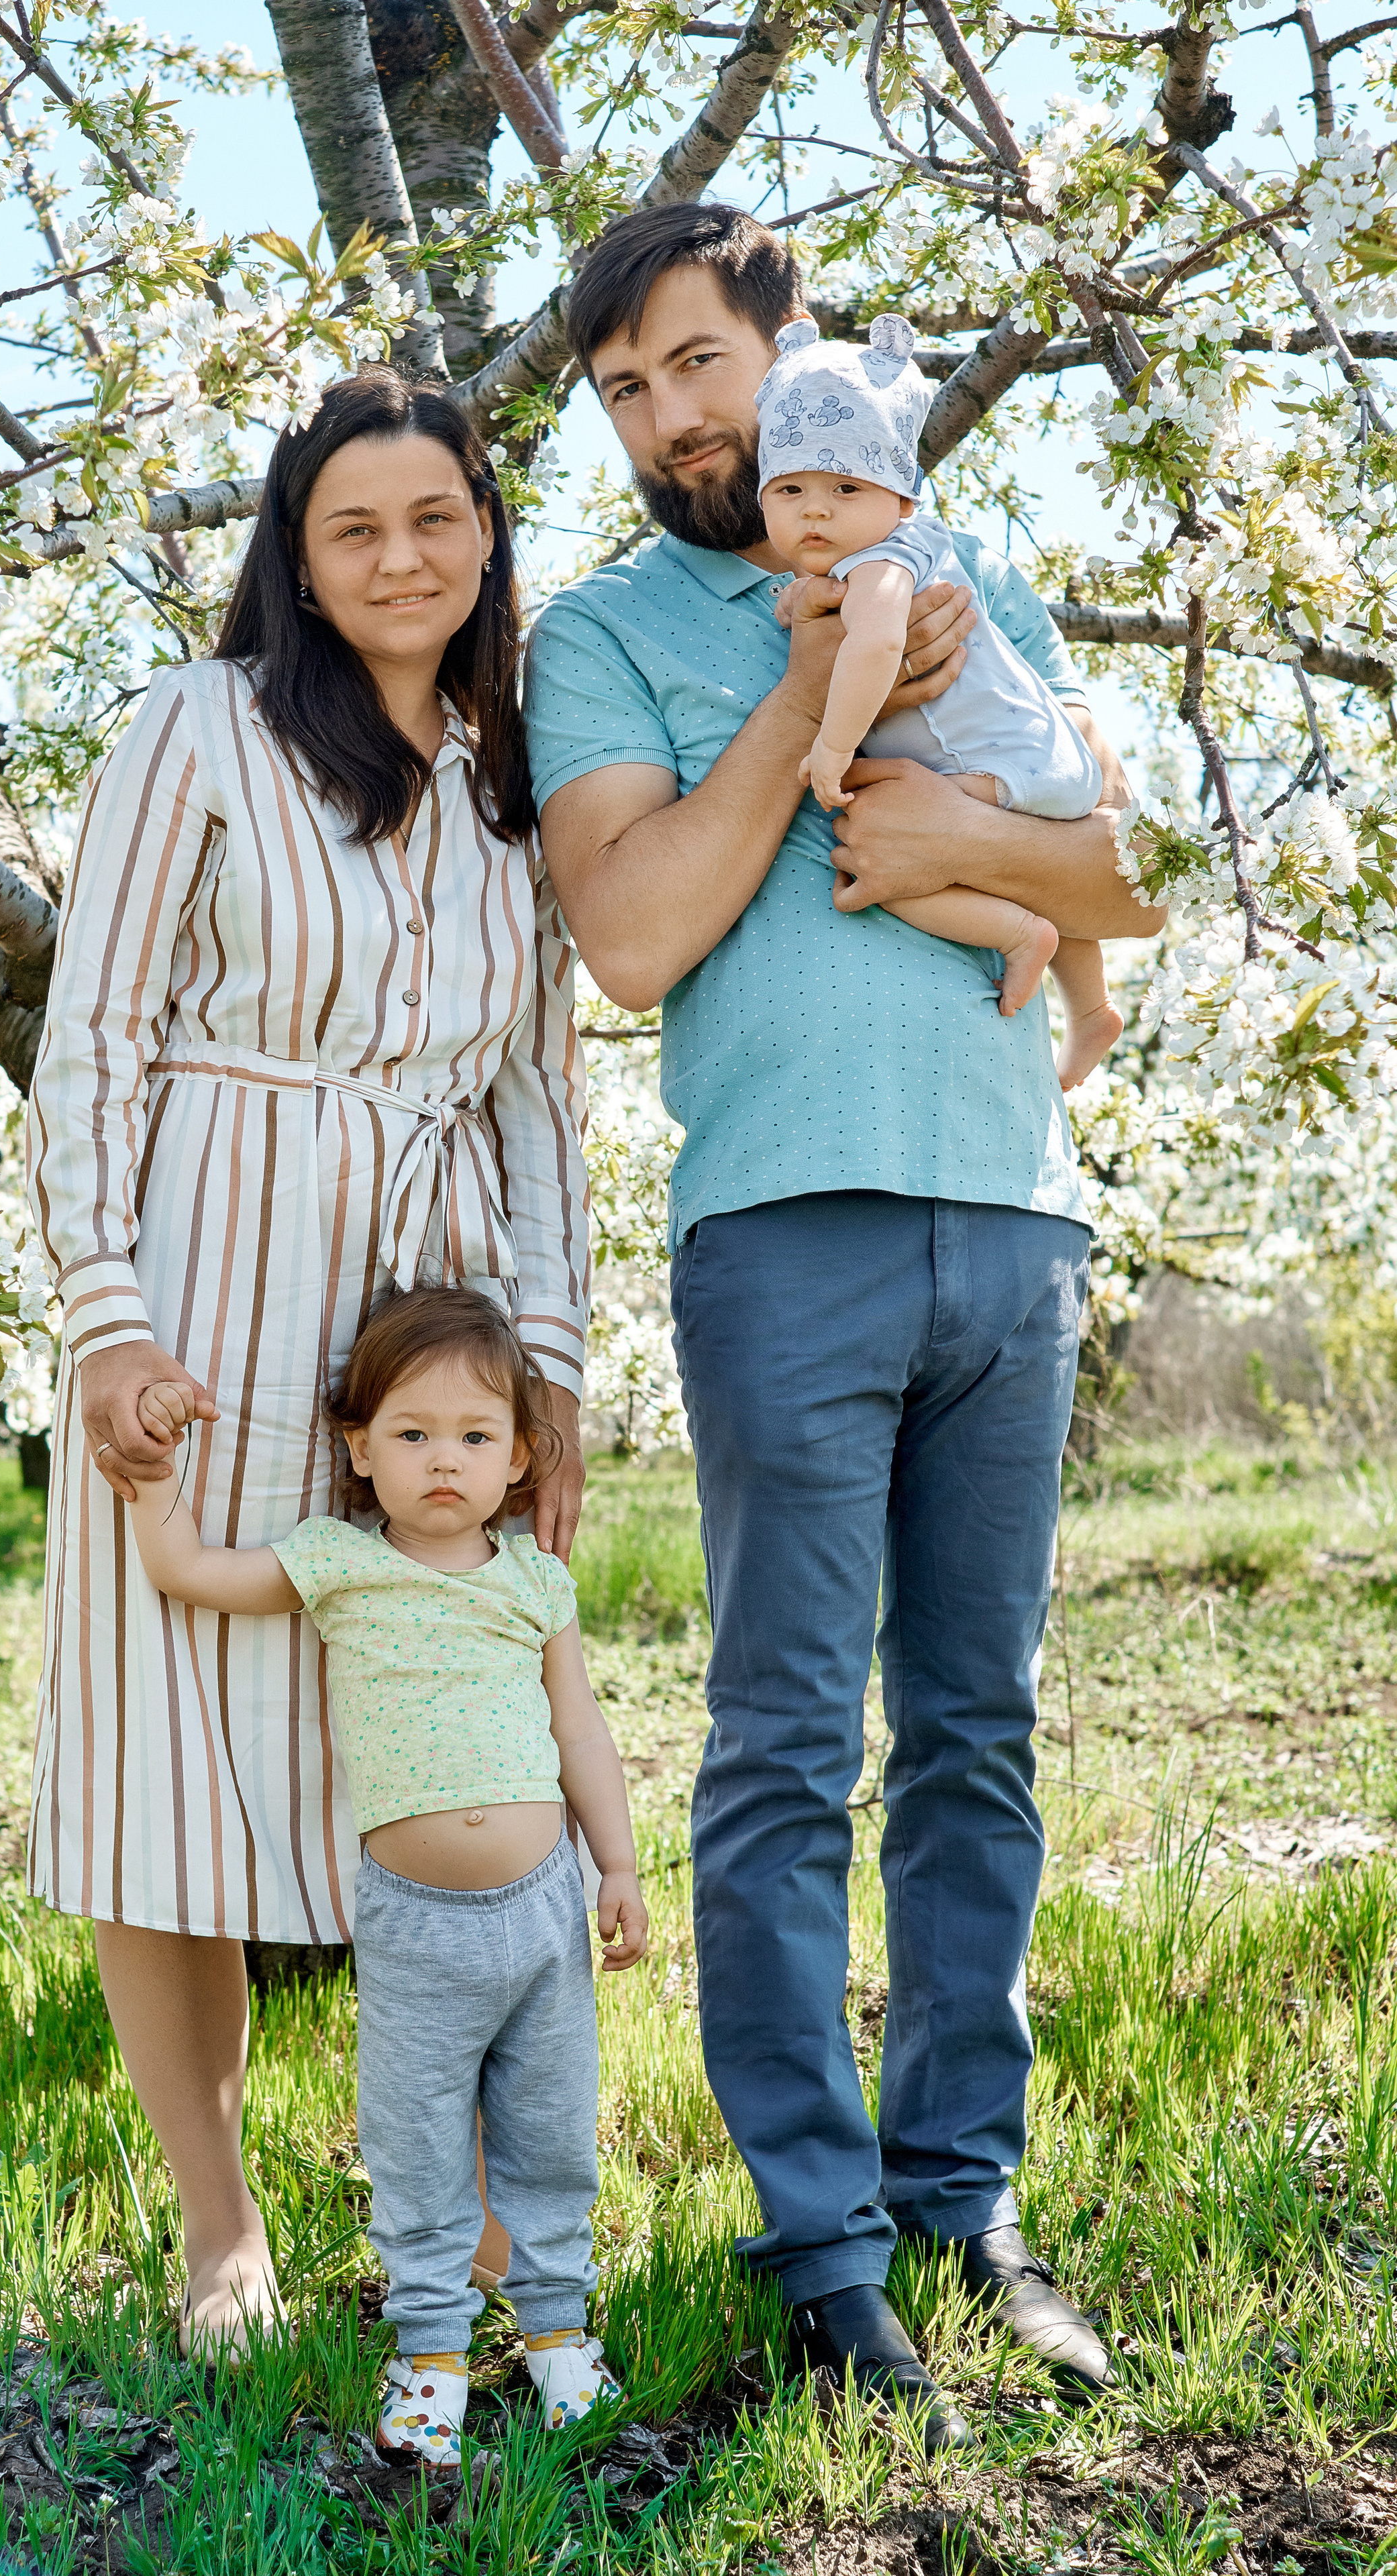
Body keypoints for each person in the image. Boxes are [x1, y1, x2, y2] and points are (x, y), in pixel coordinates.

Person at [524, 201, 1166, 2452]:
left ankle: (963, 2198)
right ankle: (819, 2247)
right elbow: (634, 931)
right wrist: (821, 670)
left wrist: (968, 818)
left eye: (696, 362)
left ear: (793, 352)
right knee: (790, 1743)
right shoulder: (600, 641)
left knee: (975, 1733)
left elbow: (1118, 869)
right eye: (622, 390)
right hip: (780, 1227)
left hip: (1011, 1217)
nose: (669, 416)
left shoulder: (978, 556)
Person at [25, 369, 590, 2361]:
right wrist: (105, 1315)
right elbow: (91, 1030)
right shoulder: (200, 725)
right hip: (205, 1261)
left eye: (434, 517)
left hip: (417, 1312)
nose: (398, 556)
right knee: (168, 1741)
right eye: (352, 525)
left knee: (427, 1725)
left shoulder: (514, 774)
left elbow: (533, 1092)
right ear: (295, 549)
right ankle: (219, 2221)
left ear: (485, 536)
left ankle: (472, 2195)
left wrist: (549, 1362)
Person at [128, 1287, 647, 2464]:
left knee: (552, 2134)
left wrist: (616, 1864)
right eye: (411, 1435)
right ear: (359, 1450)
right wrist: (151, 1482)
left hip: (547, 1912)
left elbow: (581, 1732)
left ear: (520, 1457)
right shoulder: (337, 1565)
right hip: (415, 1924)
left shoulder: (534, 1584)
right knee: (413, 2142)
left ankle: (561, 2330)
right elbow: (189, 1573)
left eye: (474, 1438)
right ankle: (430, 2353)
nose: (444, 1462)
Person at [758, 314, 1122, 1092]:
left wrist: (830, 747)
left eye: (844, 489)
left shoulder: (883, 565)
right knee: (1027, 857)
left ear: (898, 495)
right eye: (790, 490)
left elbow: (874, 648)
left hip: (987, 768)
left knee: (882, 851)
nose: (815, 511)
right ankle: (1090, 1009)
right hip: (1037, 760)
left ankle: (1020, 935)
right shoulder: (912, 548)